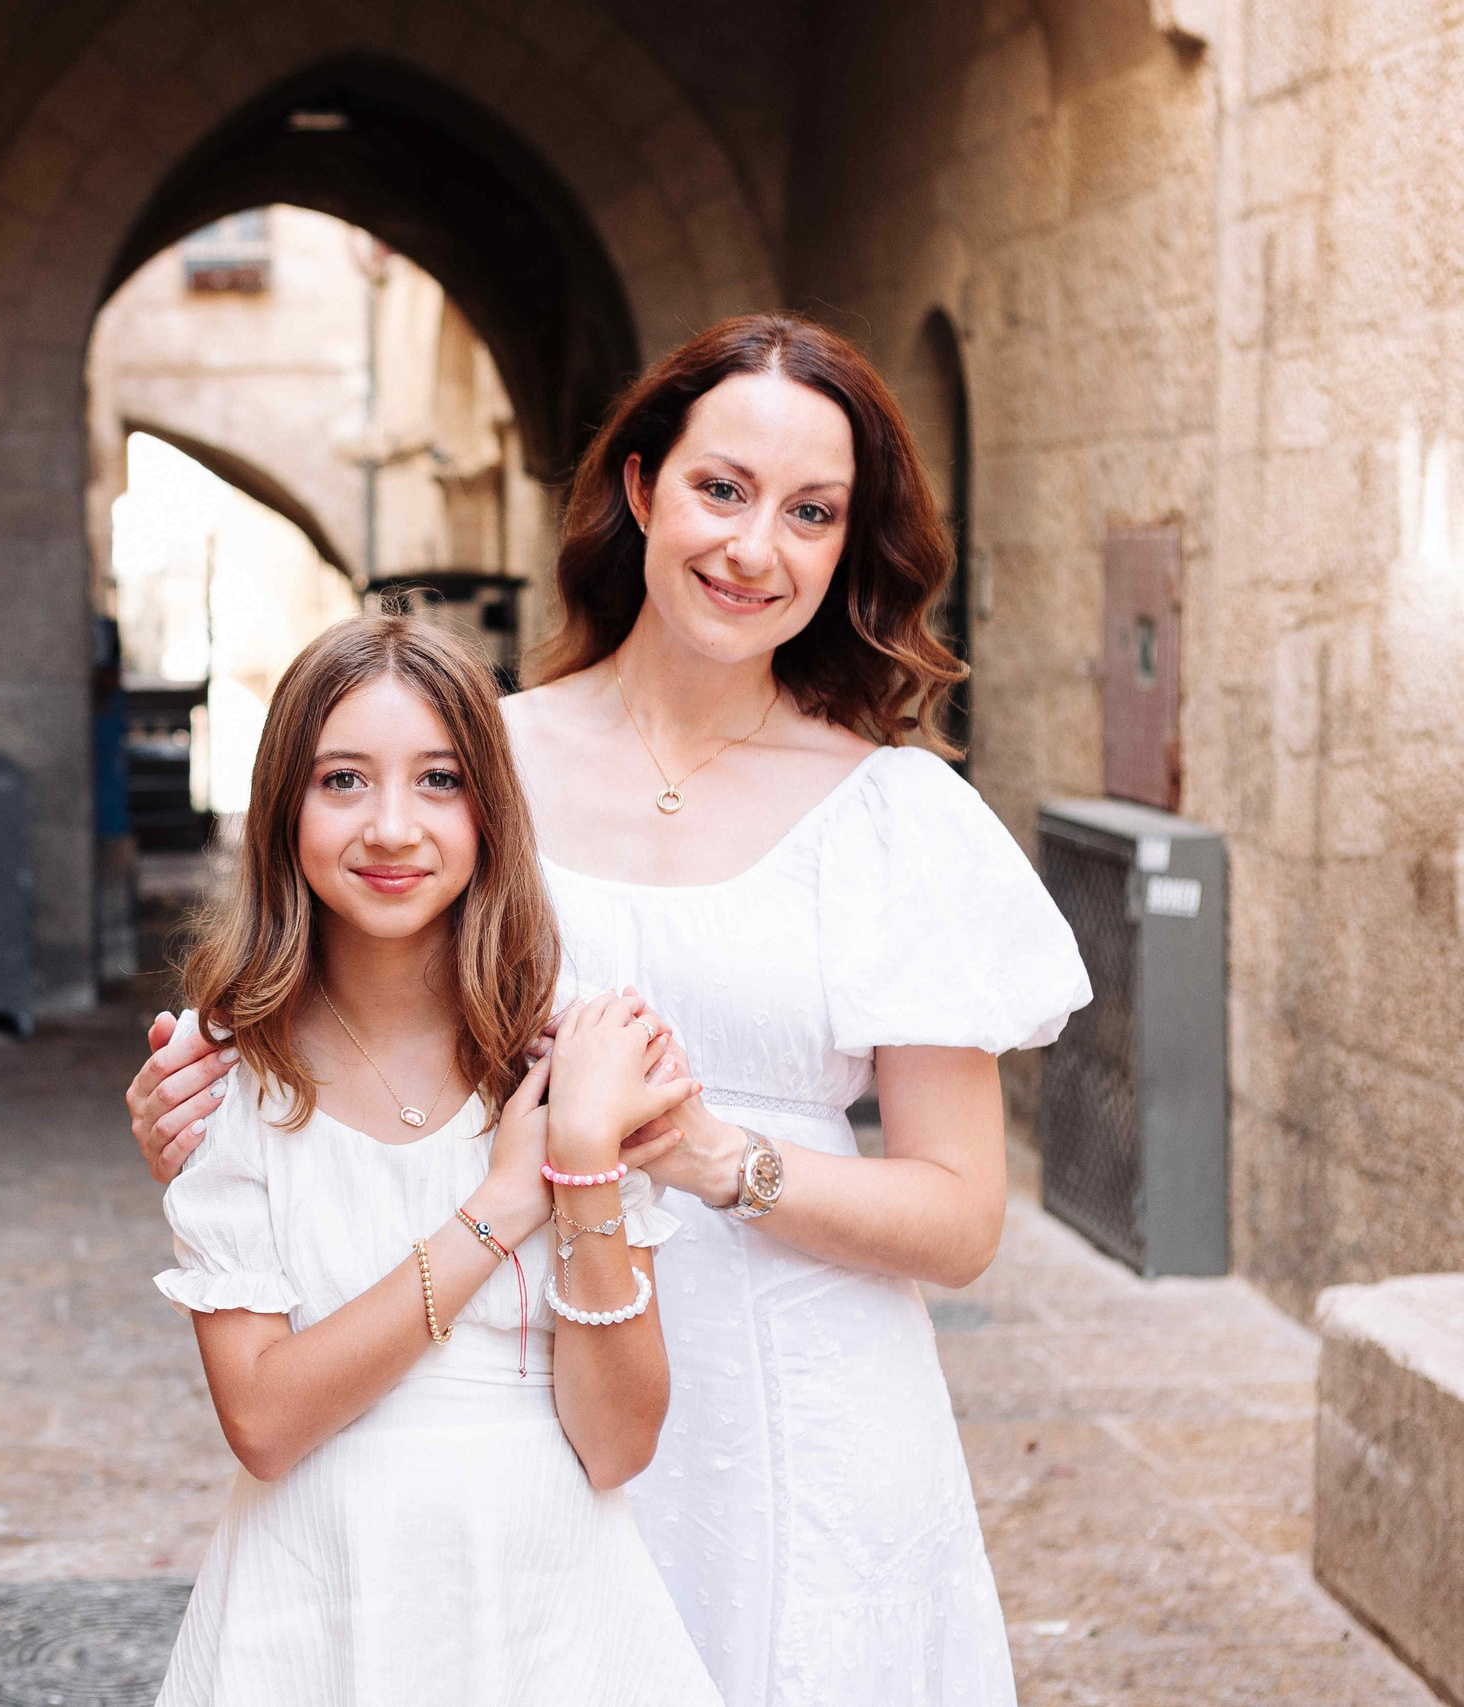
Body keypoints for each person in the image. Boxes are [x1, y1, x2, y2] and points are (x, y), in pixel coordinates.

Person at [131, 315, 1092, 1706]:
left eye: (811, 512)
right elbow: (320, 1018)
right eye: (721, 488)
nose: (755, 546)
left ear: (845, 545)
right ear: (640, 488)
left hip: (800, 1409)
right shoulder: (471, 764)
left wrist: (709, 1157)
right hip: (512, 1417)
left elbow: (959, 1216)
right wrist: (198, 1099)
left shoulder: (900, 817)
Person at [149, 615, 721, 1707]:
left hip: (550, 1611)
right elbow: (265, 1424)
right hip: (313, 1603)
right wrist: (501, 1207)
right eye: (344, 781)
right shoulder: (228, 1069)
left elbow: (616, 1445)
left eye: (439, 780)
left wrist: (587, 1162)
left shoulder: (574, 1052)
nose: (393, 828)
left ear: (488, 811)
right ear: (282, 810)